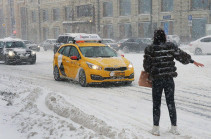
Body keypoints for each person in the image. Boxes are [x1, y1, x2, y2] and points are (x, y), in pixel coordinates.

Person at [143, 28, 204, 136]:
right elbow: (181, 56)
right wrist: (192, 61)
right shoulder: (170, 46)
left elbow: (146, 66)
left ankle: (156, 129)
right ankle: (174, 128)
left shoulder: (150, 49)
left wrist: (152, 70)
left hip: (157, 80)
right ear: (164, 37)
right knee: (171, 103)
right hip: (169, 80)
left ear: (154, 37)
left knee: (156, 104)